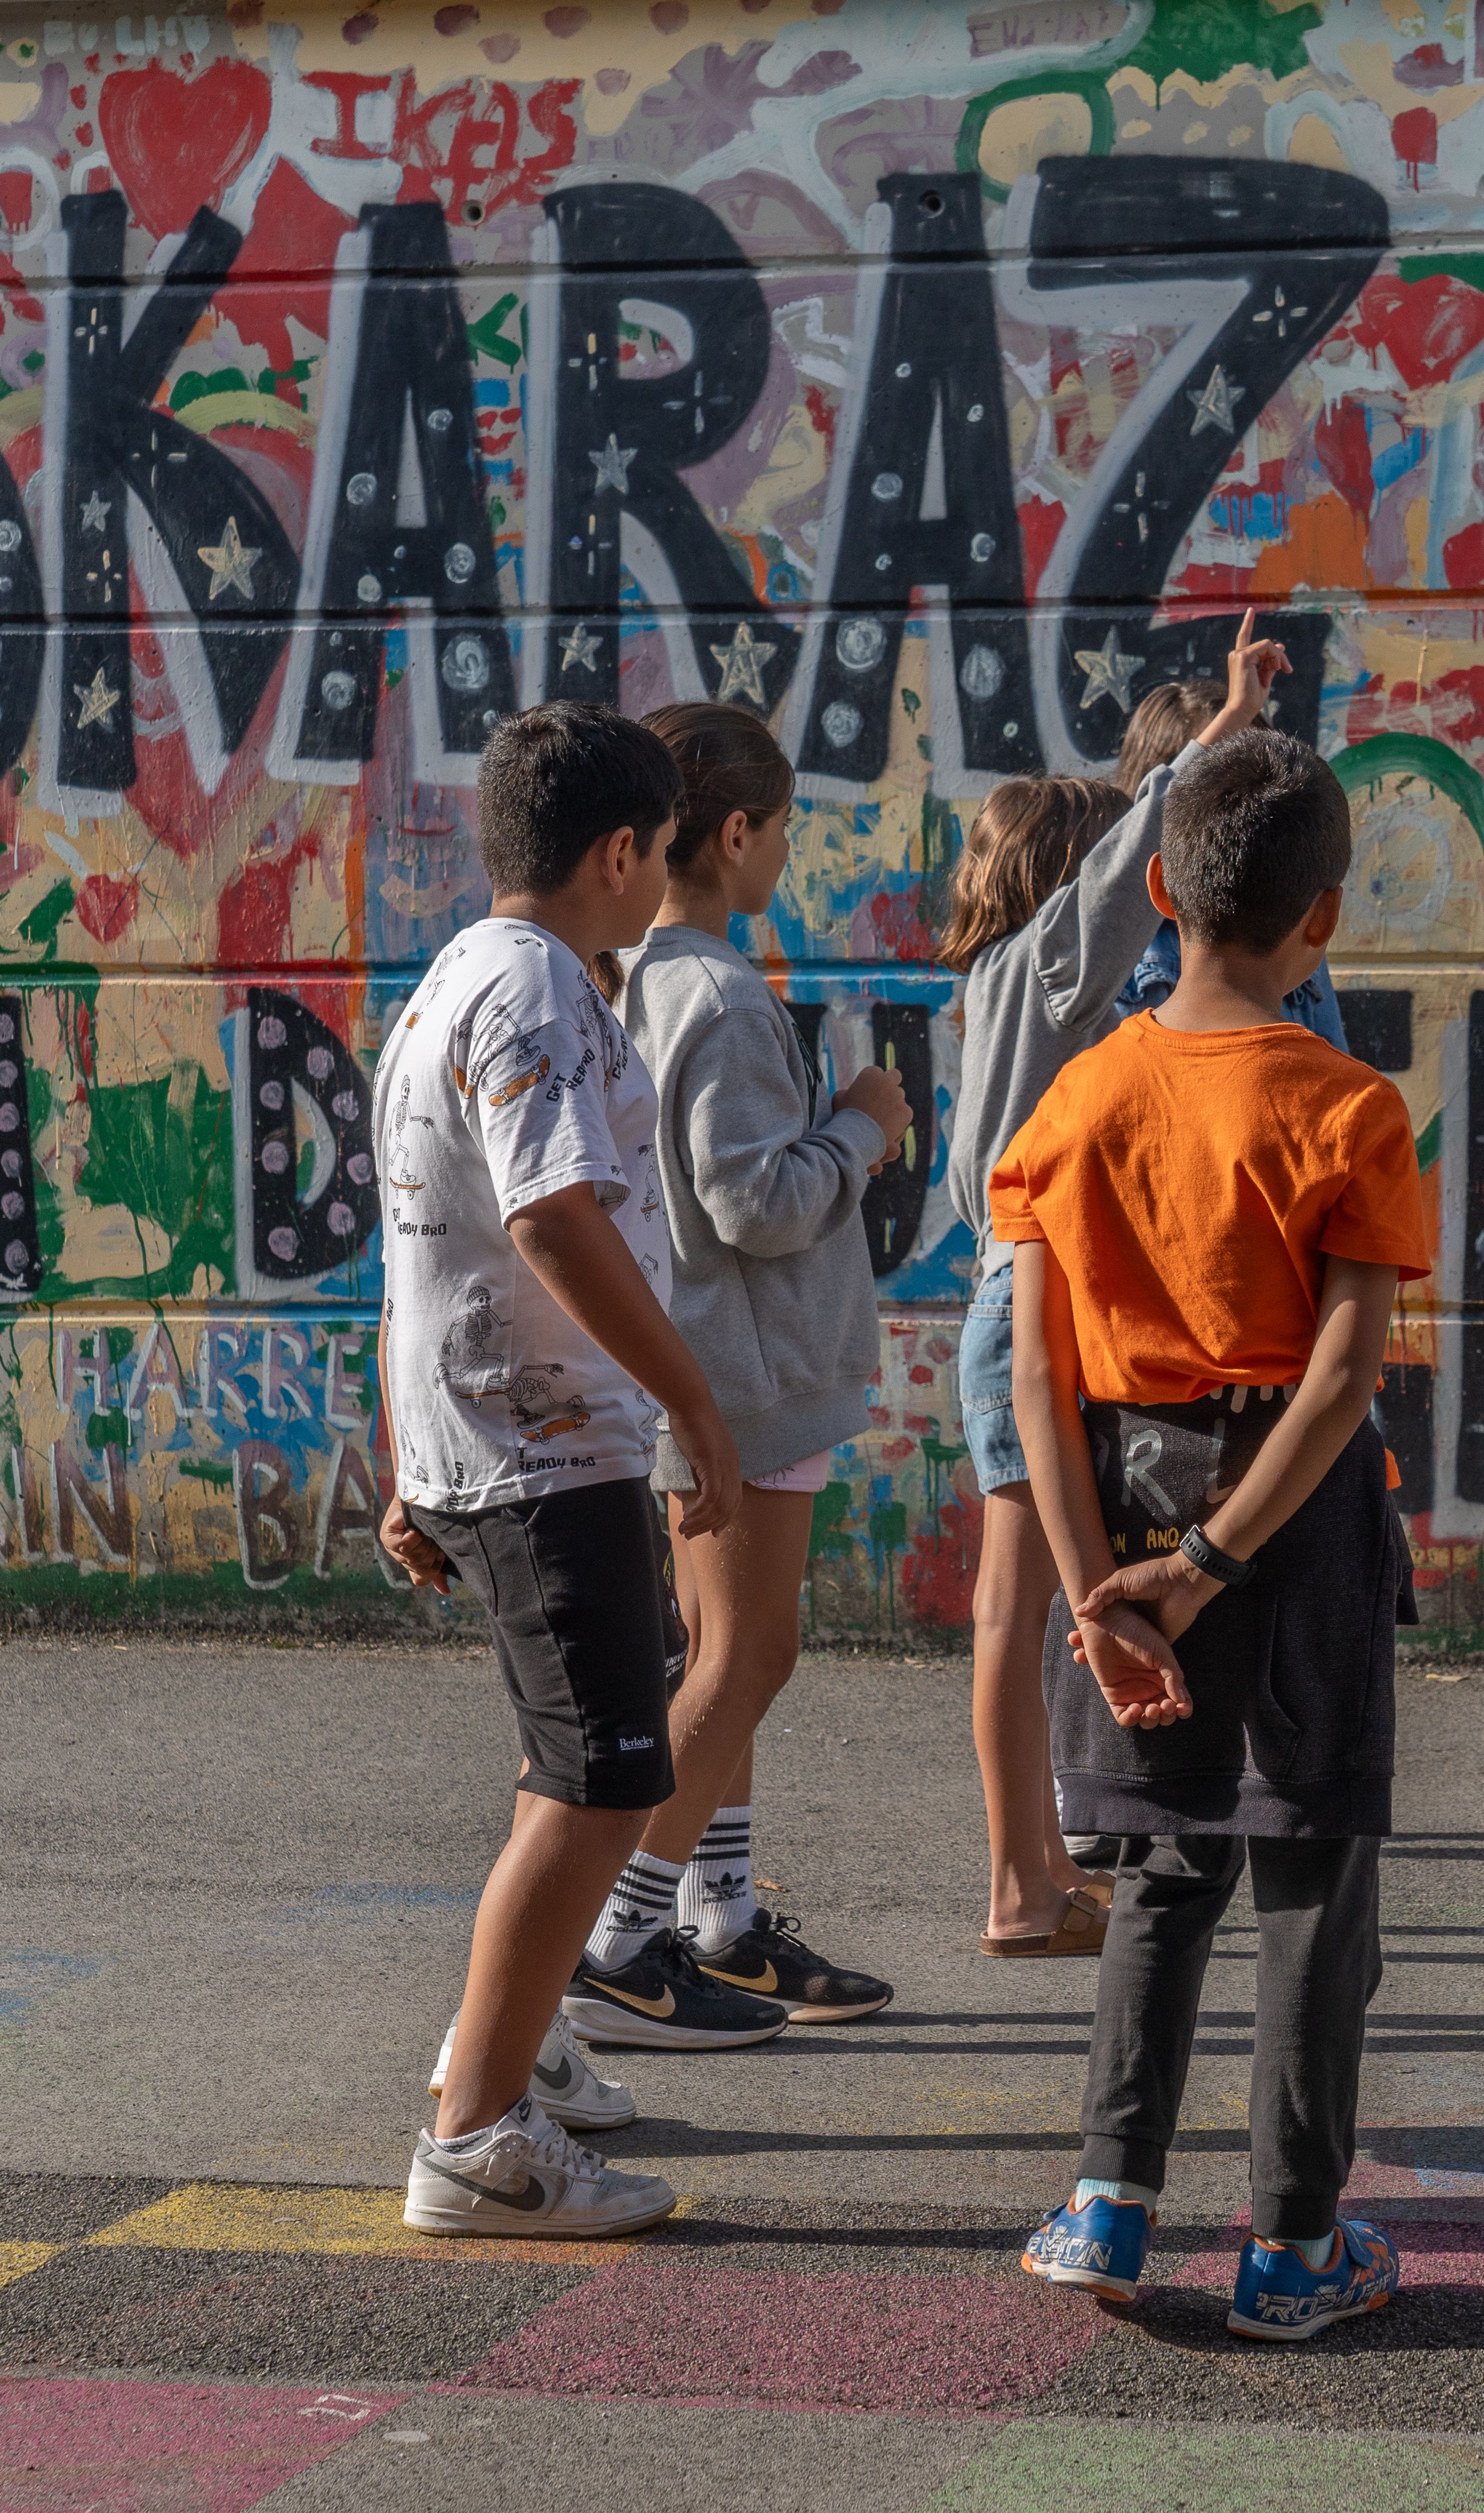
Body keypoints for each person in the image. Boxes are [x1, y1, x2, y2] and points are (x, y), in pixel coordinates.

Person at [997, 728, 1433, 2340]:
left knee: (1163, 1861)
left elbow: (1037, 1381)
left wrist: (1098, 1587)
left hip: (1116, 1493)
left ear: (1162, 889)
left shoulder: (1079, 1094)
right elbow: (1336, 1376)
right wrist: (1219, 1560)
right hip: (1284, 1524)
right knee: (1313, 1878)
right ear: (1323, 917)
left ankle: (1110, 2203)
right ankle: (1293, 2245)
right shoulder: (1347, 1106)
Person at [374, 701, 743, 2239]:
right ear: (618, 852)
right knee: (593, 1782)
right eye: (661, 851)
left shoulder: (461, 972)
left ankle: (503, 2053)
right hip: (542, 1446)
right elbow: (548, 1217)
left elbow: (416, 1231)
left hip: (502, 1438)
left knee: (584, 1767)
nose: (663, 877)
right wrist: (691, 1407)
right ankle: (476, 2129)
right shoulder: (531, 989)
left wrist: (402, 1455)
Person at [942, 618, 1289, 1957]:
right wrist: (1218, 738)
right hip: (1024, 1315)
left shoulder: (999, 991)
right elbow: (1122, 861)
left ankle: (1037, 1868)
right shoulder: (1044, 975)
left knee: (1015, 1610)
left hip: (1024, 1307)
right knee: (1013, 1611)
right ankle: (1021, 1882)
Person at [601, 699, 909, 2031]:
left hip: (701, 1365)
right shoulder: (719, 994)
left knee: (716, 1653)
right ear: (735, 833)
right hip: (745, 1377)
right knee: (748, 1655)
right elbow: (754, 1201)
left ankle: (712, 1917)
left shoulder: (628, 978)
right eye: (781, 828)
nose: (785, 850)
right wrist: (861, 1131)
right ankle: (615, 1931)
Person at [1109, 674, 1350, 1051]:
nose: (1244, 811)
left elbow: (1334, 1067)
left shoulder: (1296, 926)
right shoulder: (1113, 945)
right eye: (1219, 786)